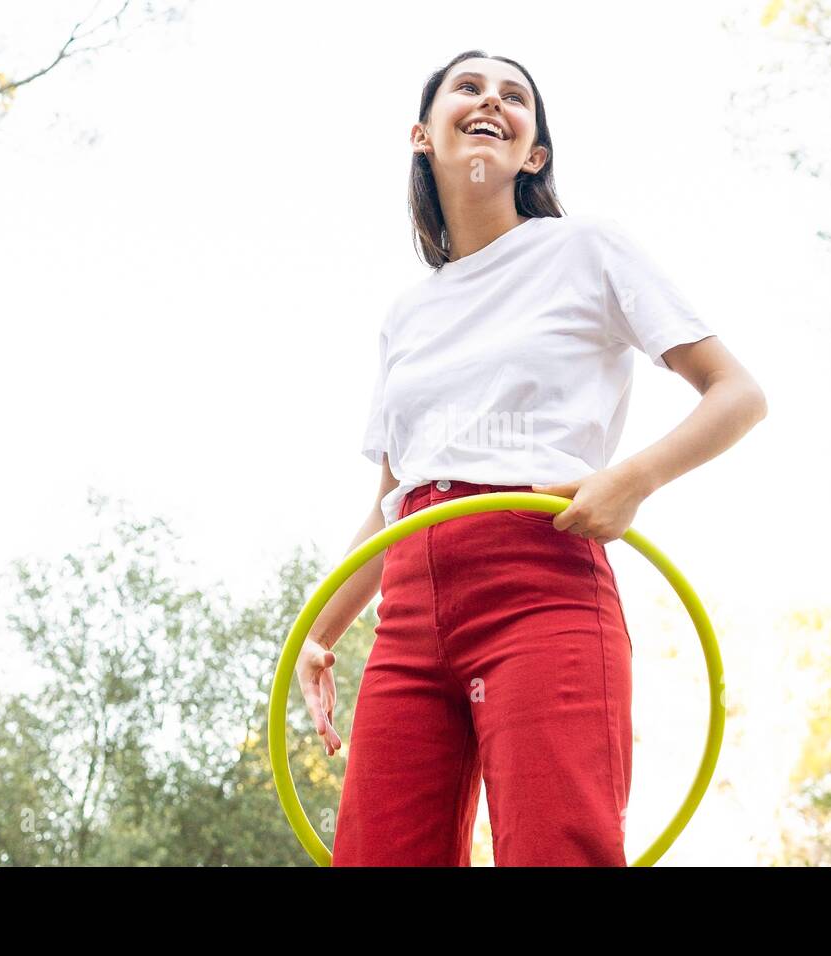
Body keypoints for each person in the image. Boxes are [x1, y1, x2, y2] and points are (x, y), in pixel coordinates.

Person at [298, 50, 767, 867]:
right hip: (409, 615)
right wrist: (321, 630)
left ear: (532, 153)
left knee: (555, 848)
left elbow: (737, 393)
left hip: (540, 583)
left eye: (515, 97)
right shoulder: (406, 314)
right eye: (468, 89)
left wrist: (631, 479)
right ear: (422, 134)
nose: (491, 101)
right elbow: (391, 497)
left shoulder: (586, 249)